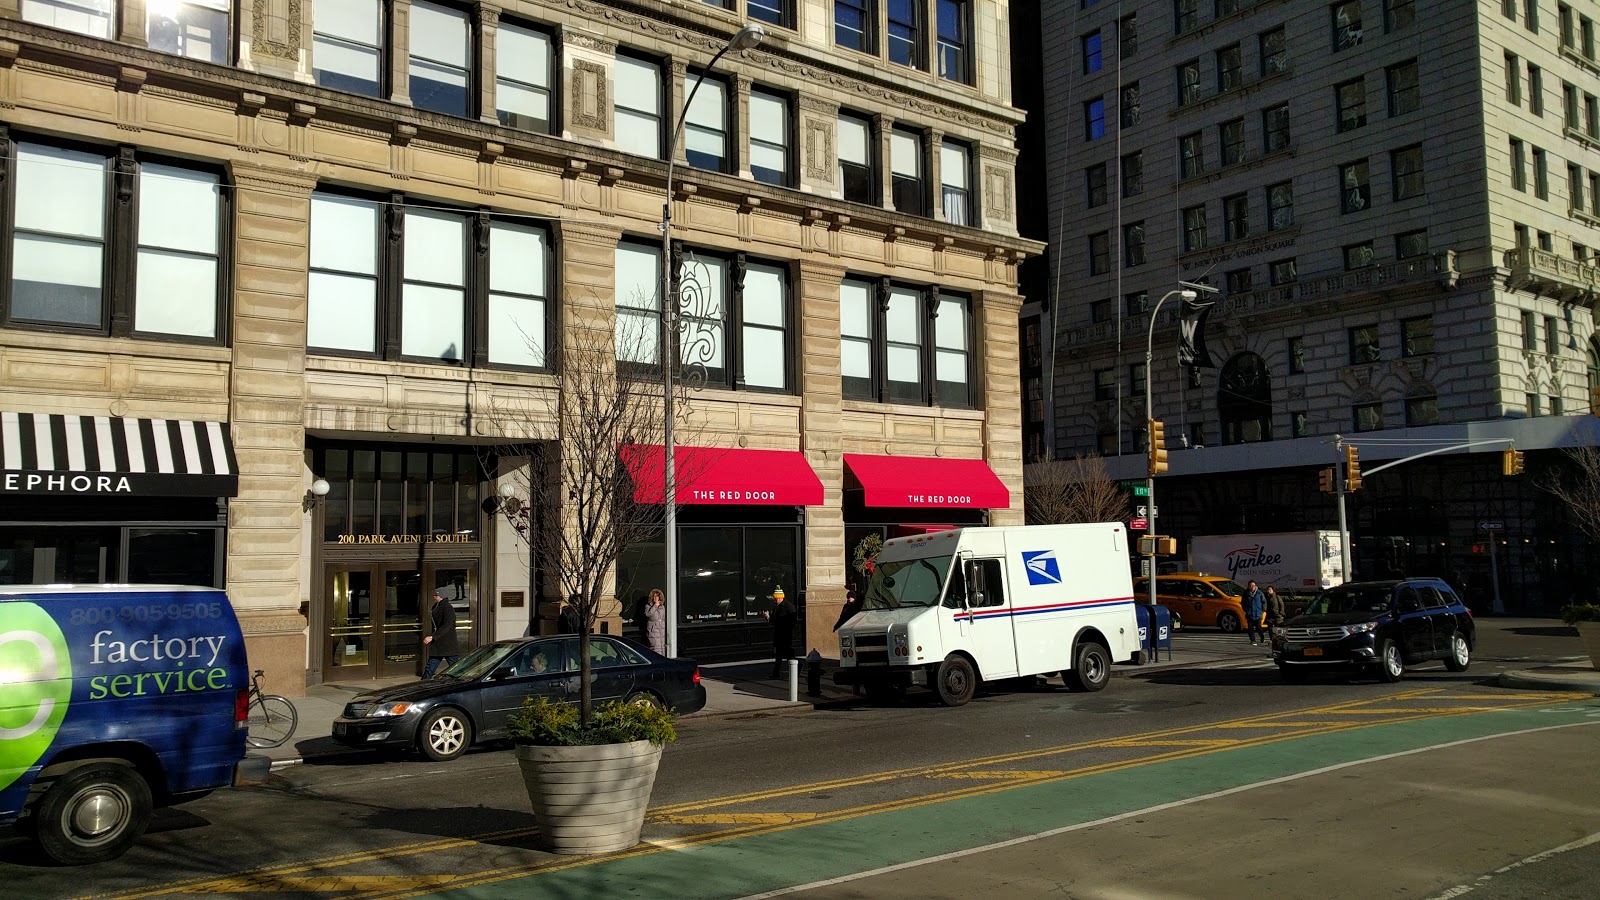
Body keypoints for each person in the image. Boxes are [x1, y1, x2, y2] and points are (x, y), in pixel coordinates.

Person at [422, 591, 460, 678]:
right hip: (439, 643)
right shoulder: (437, 606)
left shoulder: (447, 607)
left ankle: (464, 684)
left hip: (447, 642)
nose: (433, 597)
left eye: (435, 595)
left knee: (456, 668)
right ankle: (422, 685)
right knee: (430, 668)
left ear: (439, 596)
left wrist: (432, 636)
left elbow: (447, 625)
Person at [764, 587, 796, 678]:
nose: (774, 600)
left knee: (784, 655)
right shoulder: (777, 607)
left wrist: (786, 629)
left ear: (779, 598)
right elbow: (774, 621)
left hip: (784, 635)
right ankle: (776, 673)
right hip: (779, 635)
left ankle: (777, 673)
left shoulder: (788, 607)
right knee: (782, 655)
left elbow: (792, 621)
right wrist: (768, 618)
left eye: (775, 599)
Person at [1242, 580, 1267, 645]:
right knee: (1250, 628)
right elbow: (1243, 603)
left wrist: (1263, 610)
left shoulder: (1259, 593)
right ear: (1248, 586)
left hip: (1258, 613)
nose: (1252, 587)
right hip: (1250, 613)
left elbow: (1264, 602)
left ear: (1256, 586)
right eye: (1250, 586)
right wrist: (1246, 609)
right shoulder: (1246, 593)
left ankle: (1262, 636)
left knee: (1259, 627)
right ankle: (1253, 640)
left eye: (1253, 585)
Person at [644, 588, 667, 655]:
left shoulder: (662, 607)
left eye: (657, 596)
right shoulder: (648, 606)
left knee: (662, 649)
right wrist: (655, 606)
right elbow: (648, 614)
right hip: (653, 631)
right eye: (654, 596)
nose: (655, 598)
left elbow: (664, 617)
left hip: (661, 631)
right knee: (655, 649)